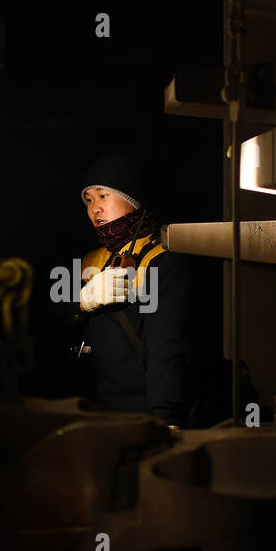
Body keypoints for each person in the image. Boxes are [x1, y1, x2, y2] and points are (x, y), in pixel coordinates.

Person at [71, 152, 194, 426]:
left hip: (136, 418)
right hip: (88, 413)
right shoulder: (91, 260)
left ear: (132, 198)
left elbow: (167, 349)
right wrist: (80, 300)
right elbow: (50, 323)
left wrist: (166, 421)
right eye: (88, 200)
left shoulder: (162, 260)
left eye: (103, 196)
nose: (95, 209)